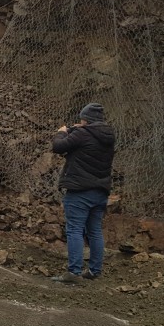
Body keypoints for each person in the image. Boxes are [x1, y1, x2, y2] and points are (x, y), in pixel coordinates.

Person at [50, 103, 116, 283]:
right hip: (100, 191)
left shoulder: (82, 134)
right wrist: (80, 129)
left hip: (80, 190)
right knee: (94, 231)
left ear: (86, 119)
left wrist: (62, 131)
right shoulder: (108, 136)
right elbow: (86, 141)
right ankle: (94, 271)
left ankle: (74, 272)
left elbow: (58, 146)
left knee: (74, 229)